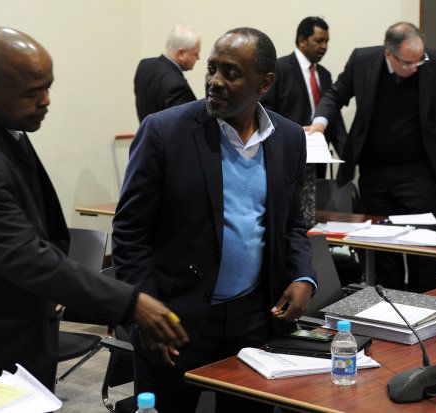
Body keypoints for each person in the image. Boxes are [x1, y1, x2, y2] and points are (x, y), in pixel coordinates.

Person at [0, 27, 187, 391]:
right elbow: (25, 256)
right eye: (31, 92)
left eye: (47, 87)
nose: (45, 101)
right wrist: (131, 302)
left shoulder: (0, 124)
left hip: (6, 329)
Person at [112, 27, 316, 412]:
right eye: (211, 69)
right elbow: (129, 233)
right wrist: (146, 314)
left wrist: (303, 276)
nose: (215, 82)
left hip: (254, 320)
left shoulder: (288, 138)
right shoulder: (164, 131)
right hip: (174, 320)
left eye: (231, 73)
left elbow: (293, 222)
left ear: (265, 83)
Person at [306, 22, 436, 292]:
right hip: (374, 172)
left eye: (419, 60)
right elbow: (335, 94)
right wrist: (320, 123)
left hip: (420, 172)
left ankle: (426, 307)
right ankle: (389, 313)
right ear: (388, 54)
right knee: (382, 252)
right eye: (407, 63)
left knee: (421, 247)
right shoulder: (363, 60)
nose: (415, 67)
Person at [262, 16, 347, 161]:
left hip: (318, 155)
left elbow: (333, 116)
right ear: (302, 40)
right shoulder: (279, 69)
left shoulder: (324, 74)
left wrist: (346, 154)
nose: (324, 46)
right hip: (287, 153)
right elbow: (265, 111)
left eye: (327, 42)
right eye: (319, 41)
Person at [134, 25, 200, 122]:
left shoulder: (144, 65)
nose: (198, 58)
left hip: (146, 135)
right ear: (181, 53)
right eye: (195, 54)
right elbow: (185, 124)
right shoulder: (176, 85)